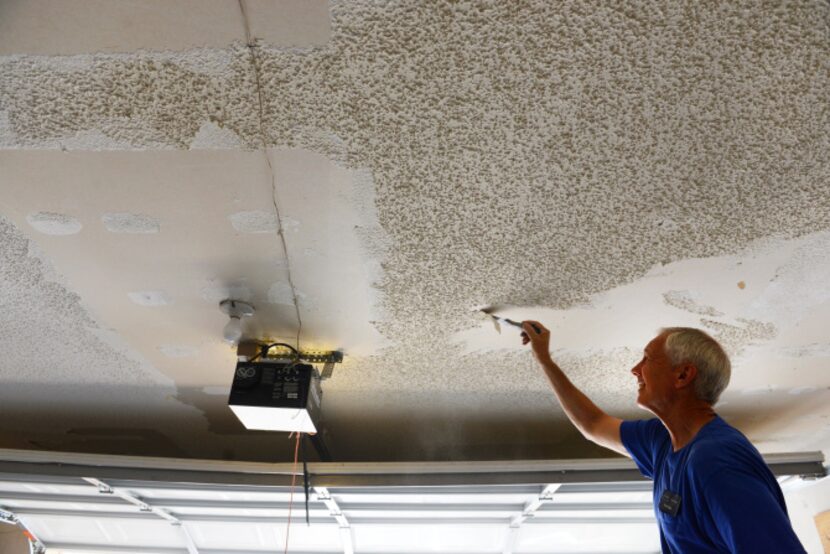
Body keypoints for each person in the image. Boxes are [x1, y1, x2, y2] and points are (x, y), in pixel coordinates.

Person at [520, 321, 806, 553]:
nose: (635, 369)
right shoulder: (662, 442)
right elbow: (593, 424)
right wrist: (544, 359)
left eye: (647, 358)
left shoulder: (717, 461)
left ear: (682, 375)